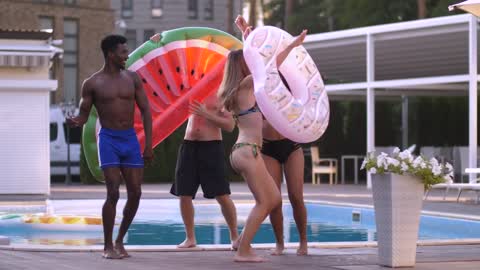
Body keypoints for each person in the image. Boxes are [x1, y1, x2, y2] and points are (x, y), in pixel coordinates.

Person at [216, 15, 307, 262]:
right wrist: (290, 46)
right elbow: (270, 66)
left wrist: (247, 35)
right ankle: (244, 250)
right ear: (242, 67)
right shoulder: (246, 86)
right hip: (249, 151)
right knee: (266, 202)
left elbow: (265, 68)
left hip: (242, 151)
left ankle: (244, 246)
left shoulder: (234, 91)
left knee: (272, 199)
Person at [149, 34, 240, 250]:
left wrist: (206, 114)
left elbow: (229, 126)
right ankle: (190, 238)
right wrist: (157, 43)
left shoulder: (222, 93)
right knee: (184, 193)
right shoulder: (190, 87)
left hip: (211, 146)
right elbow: (165, 74)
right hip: (189, 145)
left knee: (222, 194)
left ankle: (235, 236)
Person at [67, 34, 153, 259]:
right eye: (123, 52)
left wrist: (149, 145)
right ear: (110, 54)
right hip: (108, 140)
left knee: (136, 193)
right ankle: (107, 246)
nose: (127, 56)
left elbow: (145, 110)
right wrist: (76, 120)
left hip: (130, 139)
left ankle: (120, 240)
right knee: (113, 192)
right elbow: (84, 115)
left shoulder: (132, 78)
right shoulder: (92, 83)